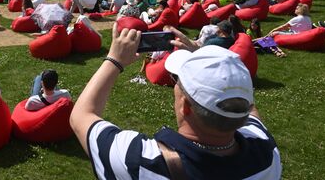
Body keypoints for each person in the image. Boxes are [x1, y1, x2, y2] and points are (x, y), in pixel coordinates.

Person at [70, 25, 281, 179]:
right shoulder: (266, 153)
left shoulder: (141, 162)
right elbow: (248, 106)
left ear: (185, 106)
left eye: (177, 81)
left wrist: (114, 60)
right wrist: (205, 60)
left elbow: (81, 116)